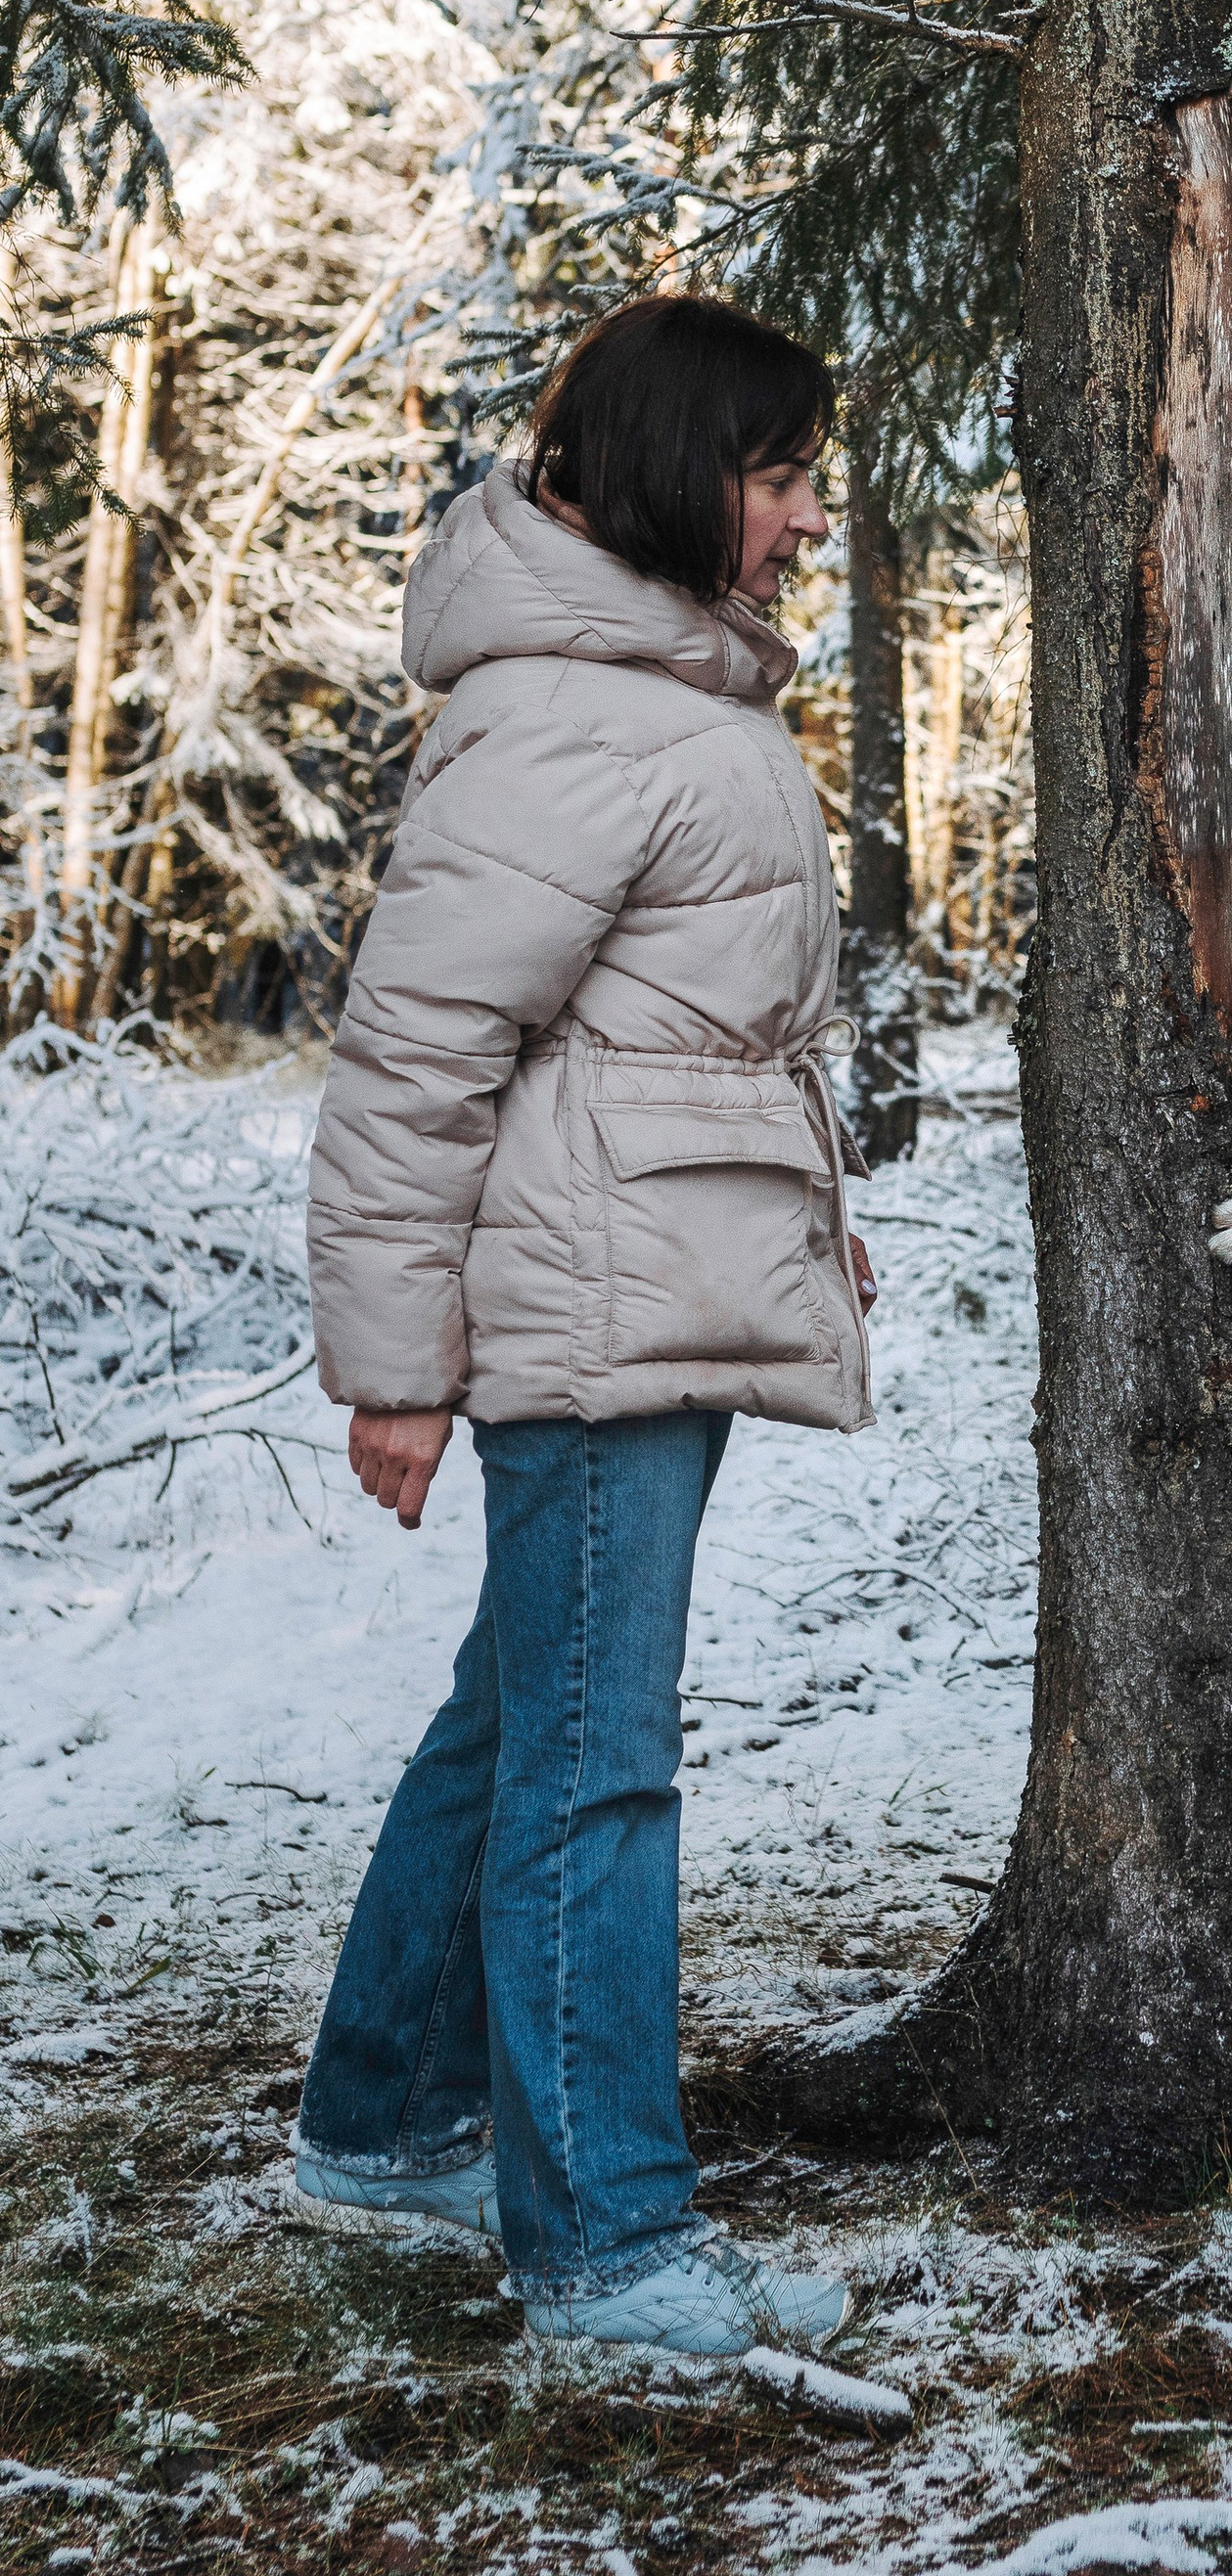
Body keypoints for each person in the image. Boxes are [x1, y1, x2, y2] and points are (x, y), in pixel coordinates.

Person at [291, 295, 879, 2355]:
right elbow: (415, 1049)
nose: (809, 519)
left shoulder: (645, 685)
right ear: (671, 470)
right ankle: (607, 2244)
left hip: (643, 1269)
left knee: (513, 1718)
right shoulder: (579, 711)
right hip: (595, 1296)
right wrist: (393, 1361)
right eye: (783, 475)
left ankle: (380, 2123)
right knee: (592, 1770)